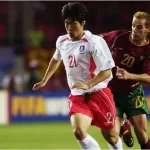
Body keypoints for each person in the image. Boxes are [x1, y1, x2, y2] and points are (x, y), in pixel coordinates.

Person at [33, 2, 123, 150]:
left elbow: (107, 71)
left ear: (83, 23)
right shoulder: (61, 41)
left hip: (98, 93)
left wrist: (88, 84)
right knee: (79, 131)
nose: (69, 27)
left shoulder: (94, 41)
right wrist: (44, 80)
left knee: (112, 136)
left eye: (73, 23)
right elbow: (56, 59)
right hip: (78, 96)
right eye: (66, 23)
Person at [99, 11, 150, 149]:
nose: (135, 30)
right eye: (133, 25)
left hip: (133, 93)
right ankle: (124, 128)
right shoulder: (118, 36)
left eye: (139, 27)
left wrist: (130, 75)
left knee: (143, 135)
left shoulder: (147, 51)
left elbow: (149, 77)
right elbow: (96, 40)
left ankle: (127, 128)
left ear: (148, 29)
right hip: (110, 93)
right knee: (112, 135)